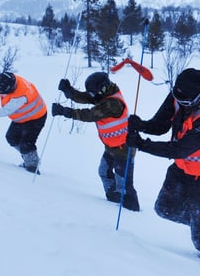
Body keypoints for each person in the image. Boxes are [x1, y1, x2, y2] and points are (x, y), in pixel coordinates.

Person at [126, 68, 200, 263]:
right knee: (164, 208)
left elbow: (180, 149)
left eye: (186, 103)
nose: (181, 104)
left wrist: (142, 145)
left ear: (198, 96)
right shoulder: (180, 95)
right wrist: (141, 125)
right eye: (178, 99)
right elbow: (160, 125)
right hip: (182, 168)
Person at [51, 72, 140, 211]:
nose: (92, 95)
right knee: (104, 171)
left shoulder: (112, 103)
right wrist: (69, 91)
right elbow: (87, 97)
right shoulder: (105, 94)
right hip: (112, 147)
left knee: (124, 185)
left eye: (93, 92)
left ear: (102, 88)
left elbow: (90, 115)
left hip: (124, 149)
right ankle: (114, 199)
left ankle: (131, 211)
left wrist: (65, 111)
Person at [0, 72, 47, 173]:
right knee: (11, 138)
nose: (0, 94)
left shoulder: (21, 95)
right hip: (22, 117)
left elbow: (3, 111)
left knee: (26, 144)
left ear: (10, 89)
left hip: (36, 117)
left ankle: (32, 166)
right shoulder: (6, 82)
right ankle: (28, 156)